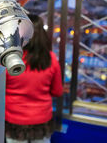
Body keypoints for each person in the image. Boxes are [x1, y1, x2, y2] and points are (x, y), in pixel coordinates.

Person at [5, 14, 63, 143]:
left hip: (14, 120)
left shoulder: (9, 60)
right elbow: (57, 91)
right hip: (41, 121)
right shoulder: (51, 59)